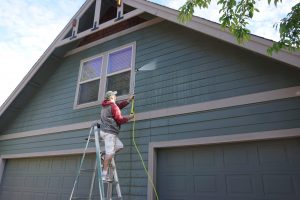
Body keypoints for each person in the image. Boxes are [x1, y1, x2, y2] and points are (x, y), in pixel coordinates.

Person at [99, 91, 134, 180]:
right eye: (114, 95)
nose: (116, 96)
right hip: (110, 133)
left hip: (105, 132)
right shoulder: (113, 106)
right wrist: (129, 118)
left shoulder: (106, 106)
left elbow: (118, 107)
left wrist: (128, 101)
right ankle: (104, 175)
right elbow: (119, 119)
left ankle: (104, 156)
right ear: (111, 97)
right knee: (109, 154)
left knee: (119, 146)